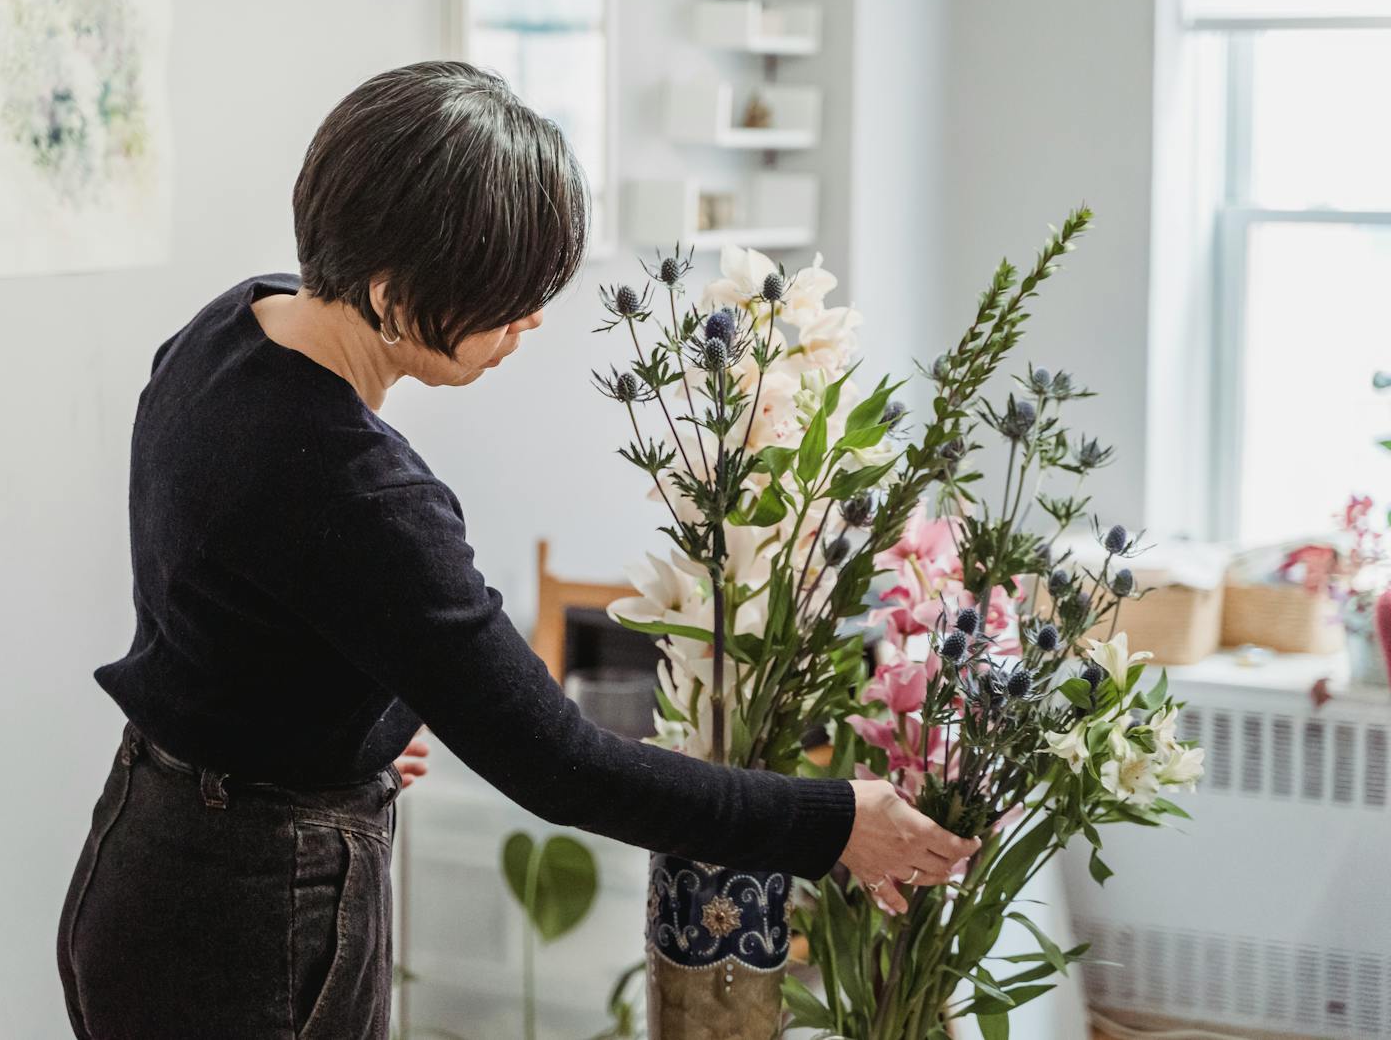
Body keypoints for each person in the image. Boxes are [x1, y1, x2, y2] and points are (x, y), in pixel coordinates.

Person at [56, 60, 978, 1040]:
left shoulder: (228, 329)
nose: (530, 322)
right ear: (392, 293)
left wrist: (332, 728)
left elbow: (225, 588)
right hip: (260, 909)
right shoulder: (370, 499)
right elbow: (561, 763)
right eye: (505, 298)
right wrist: (833, 821)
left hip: (141, 845)